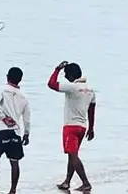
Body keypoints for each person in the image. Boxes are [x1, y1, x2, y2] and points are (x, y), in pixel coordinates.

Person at [48, 61, 96, 192]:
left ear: (71, 75)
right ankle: (67, 182)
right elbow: (91, 111)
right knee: (72, 155)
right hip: (82, 127)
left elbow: (51, 84)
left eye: (65, 74)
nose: (64, 77)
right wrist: (91, 128)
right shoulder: (90, 89)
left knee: (73, 156)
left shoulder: (72, 87)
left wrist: (57, 69)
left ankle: (86, 183)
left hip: (71, 127)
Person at [0, 67, 31, 194]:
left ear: (7, 77)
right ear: (20, 80)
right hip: (16, 132)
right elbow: (27, 117)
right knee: (14, 162)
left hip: (1, 129)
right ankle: (13, 190)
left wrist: (4, 117)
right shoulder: (24, 96)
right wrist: (26, 133)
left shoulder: (1, 89)